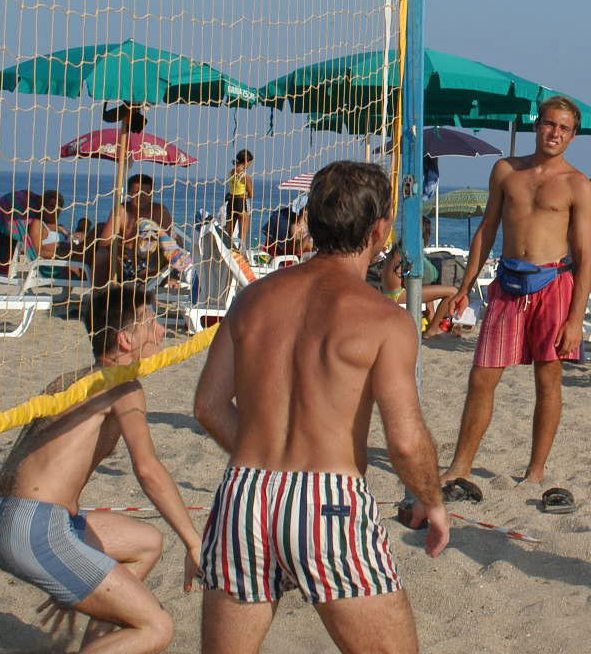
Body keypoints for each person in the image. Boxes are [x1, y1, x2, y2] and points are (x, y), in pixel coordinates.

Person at [192, 160, 449, 654]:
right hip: (329, 498)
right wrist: (432, 501)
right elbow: (405, 439)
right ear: (381, 229)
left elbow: (208, 404)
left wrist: (263, 456)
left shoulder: (252, 299)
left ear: (309, 220)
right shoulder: (383, 319)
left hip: (245, 491)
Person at [0, 283, 201, 653]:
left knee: (147, 543)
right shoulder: (122, 386)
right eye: (151, 321)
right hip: (35, 529)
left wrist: (76, 579)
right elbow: (148, 470)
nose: (162, 330)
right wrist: (194, 542)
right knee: (156, 628)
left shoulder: (71, 381)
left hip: (4, 519)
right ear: (126, 340)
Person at [443, 96, 591, 513]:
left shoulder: (578, 185)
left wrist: (576, 319)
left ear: (572, 134)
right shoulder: (506, 171)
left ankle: (536, 469)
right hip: (508, 284)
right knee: (482, 376)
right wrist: (465, 285)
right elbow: (486, 229)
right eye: (549, 124)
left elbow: (585, 260)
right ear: (537, 125)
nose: (555, 133)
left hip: (554, 285)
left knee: (548, 380)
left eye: (564, 128)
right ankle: (461, 465)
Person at [223, 149, 254, 249]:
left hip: (231, 202)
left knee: (228, 232)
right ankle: (241, 252)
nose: (249, 165)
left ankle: (226, 249)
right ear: (246, 162)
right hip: (241, 202)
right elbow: (251, 194)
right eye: (249, 163)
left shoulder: (231, 173)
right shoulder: (246, 177)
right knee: (243, 235)